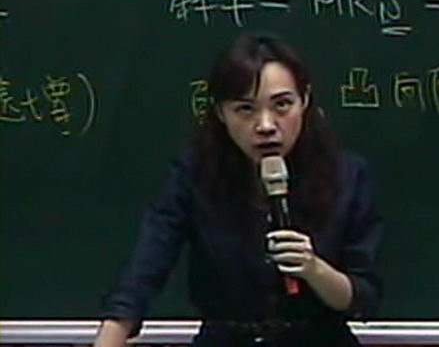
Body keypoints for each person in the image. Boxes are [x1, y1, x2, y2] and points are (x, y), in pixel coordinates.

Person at [94, 33, 383, 346]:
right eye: (245, 109)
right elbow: (145, 267)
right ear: (221, 113)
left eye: (282, 105)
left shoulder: (347, 176)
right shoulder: (194, 175)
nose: (266, 125)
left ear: (305, 101)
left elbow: (363, 298)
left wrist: (314, 269)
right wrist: (112, 334)